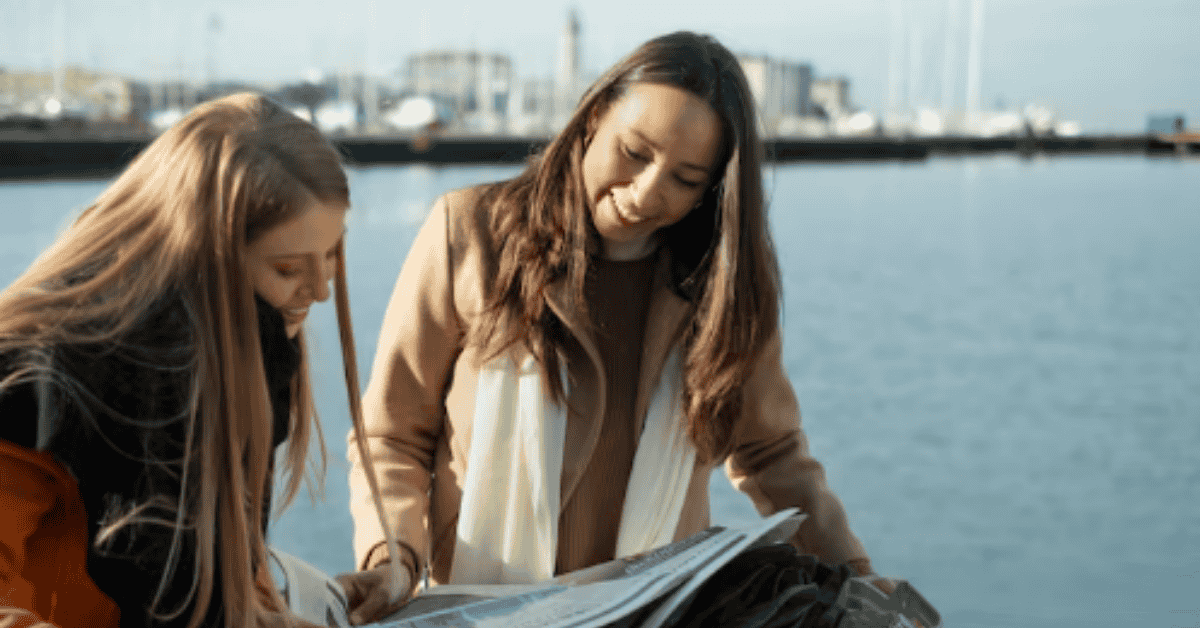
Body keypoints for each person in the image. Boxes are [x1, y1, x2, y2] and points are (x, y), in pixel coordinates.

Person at [342, 31, 893, 623]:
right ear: (593, 118)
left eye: (685, 180)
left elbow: (772, 455)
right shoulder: (470, 234)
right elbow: (391, 434)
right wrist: (390, 555)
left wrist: (860, 580)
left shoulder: (724, 290)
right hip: (481, 610)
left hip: (660, 613)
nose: (647, 192)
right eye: (634, 152)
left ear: (711, 190)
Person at [0, 93, 402, 628]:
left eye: (332, 254)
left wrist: (267, 614)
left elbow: (214, 565)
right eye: (287, 268)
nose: (323, 290)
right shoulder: (44, 367)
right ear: (203, 257)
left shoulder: (252, 346)